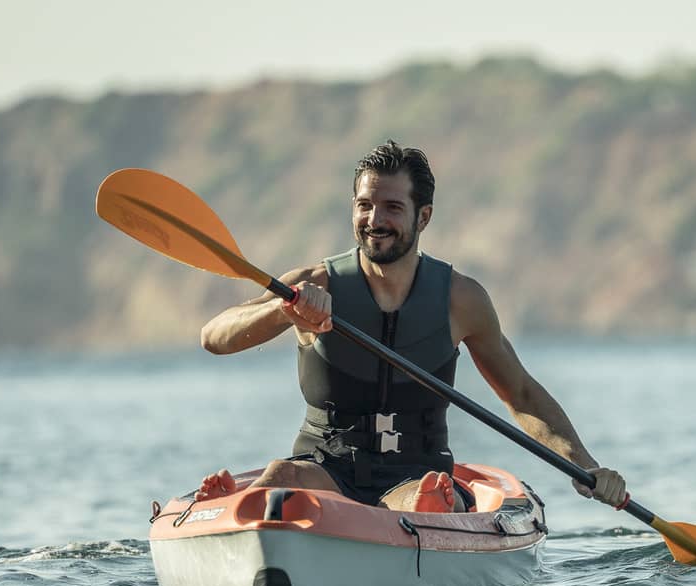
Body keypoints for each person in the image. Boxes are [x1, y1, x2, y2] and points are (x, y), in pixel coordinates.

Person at [194, 141, 627, 513]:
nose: (374, 219)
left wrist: (585, 465)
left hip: (416, 477)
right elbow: (214, 337)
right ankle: (249, 513)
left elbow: (522, 394)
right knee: (282, 476)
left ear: (423, 217)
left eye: (392, 208)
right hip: (323, 472)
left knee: (428, 499)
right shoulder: (313, 285)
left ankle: (428, 513)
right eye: (365, 205)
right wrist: (282, 312)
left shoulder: (462, 299)